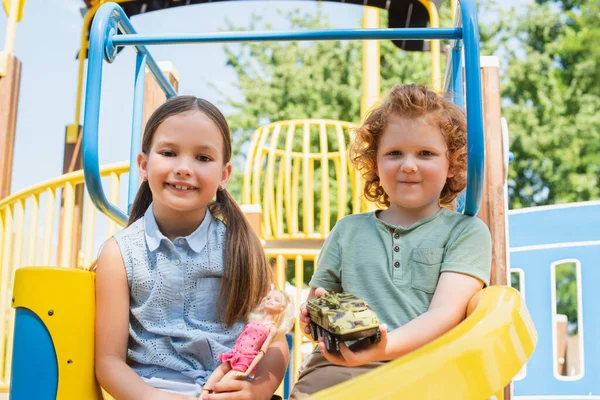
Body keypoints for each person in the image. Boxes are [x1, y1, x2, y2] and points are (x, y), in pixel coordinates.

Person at [290, 84, 492, 398]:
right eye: (394, 153)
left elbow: (444, 314)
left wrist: (383, 348)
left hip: (422, 370)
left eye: (425, 153)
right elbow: (322, 295)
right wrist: (314, 317)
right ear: (375, 163)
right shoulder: (348, 230)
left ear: (452, 163)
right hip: (340, 367)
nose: (408, 165)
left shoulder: (465, 232)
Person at [95, 96, 288, 400]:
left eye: (202, 158)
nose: (184, 168)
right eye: (169, 153)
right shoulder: (120, 254)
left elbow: (274, 340)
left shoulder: (240, 248)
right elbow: (109, 362)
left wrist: (256, 390)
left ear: (223, 175)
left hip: (229, 389)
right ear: (144, 166)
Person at [202, 289, 294, 399]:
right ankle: (204, 392)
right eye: (268, 298)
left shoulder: (272, 328)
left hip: (246, 359)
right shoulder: (256, 320)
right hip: (236, 353)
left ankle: (210, 396)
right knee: (219, 371)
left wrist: (248, 371)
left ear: (282, 308)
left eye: (276, 300)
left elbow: (262, 352)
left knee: (224, 384)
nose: (270, 301)